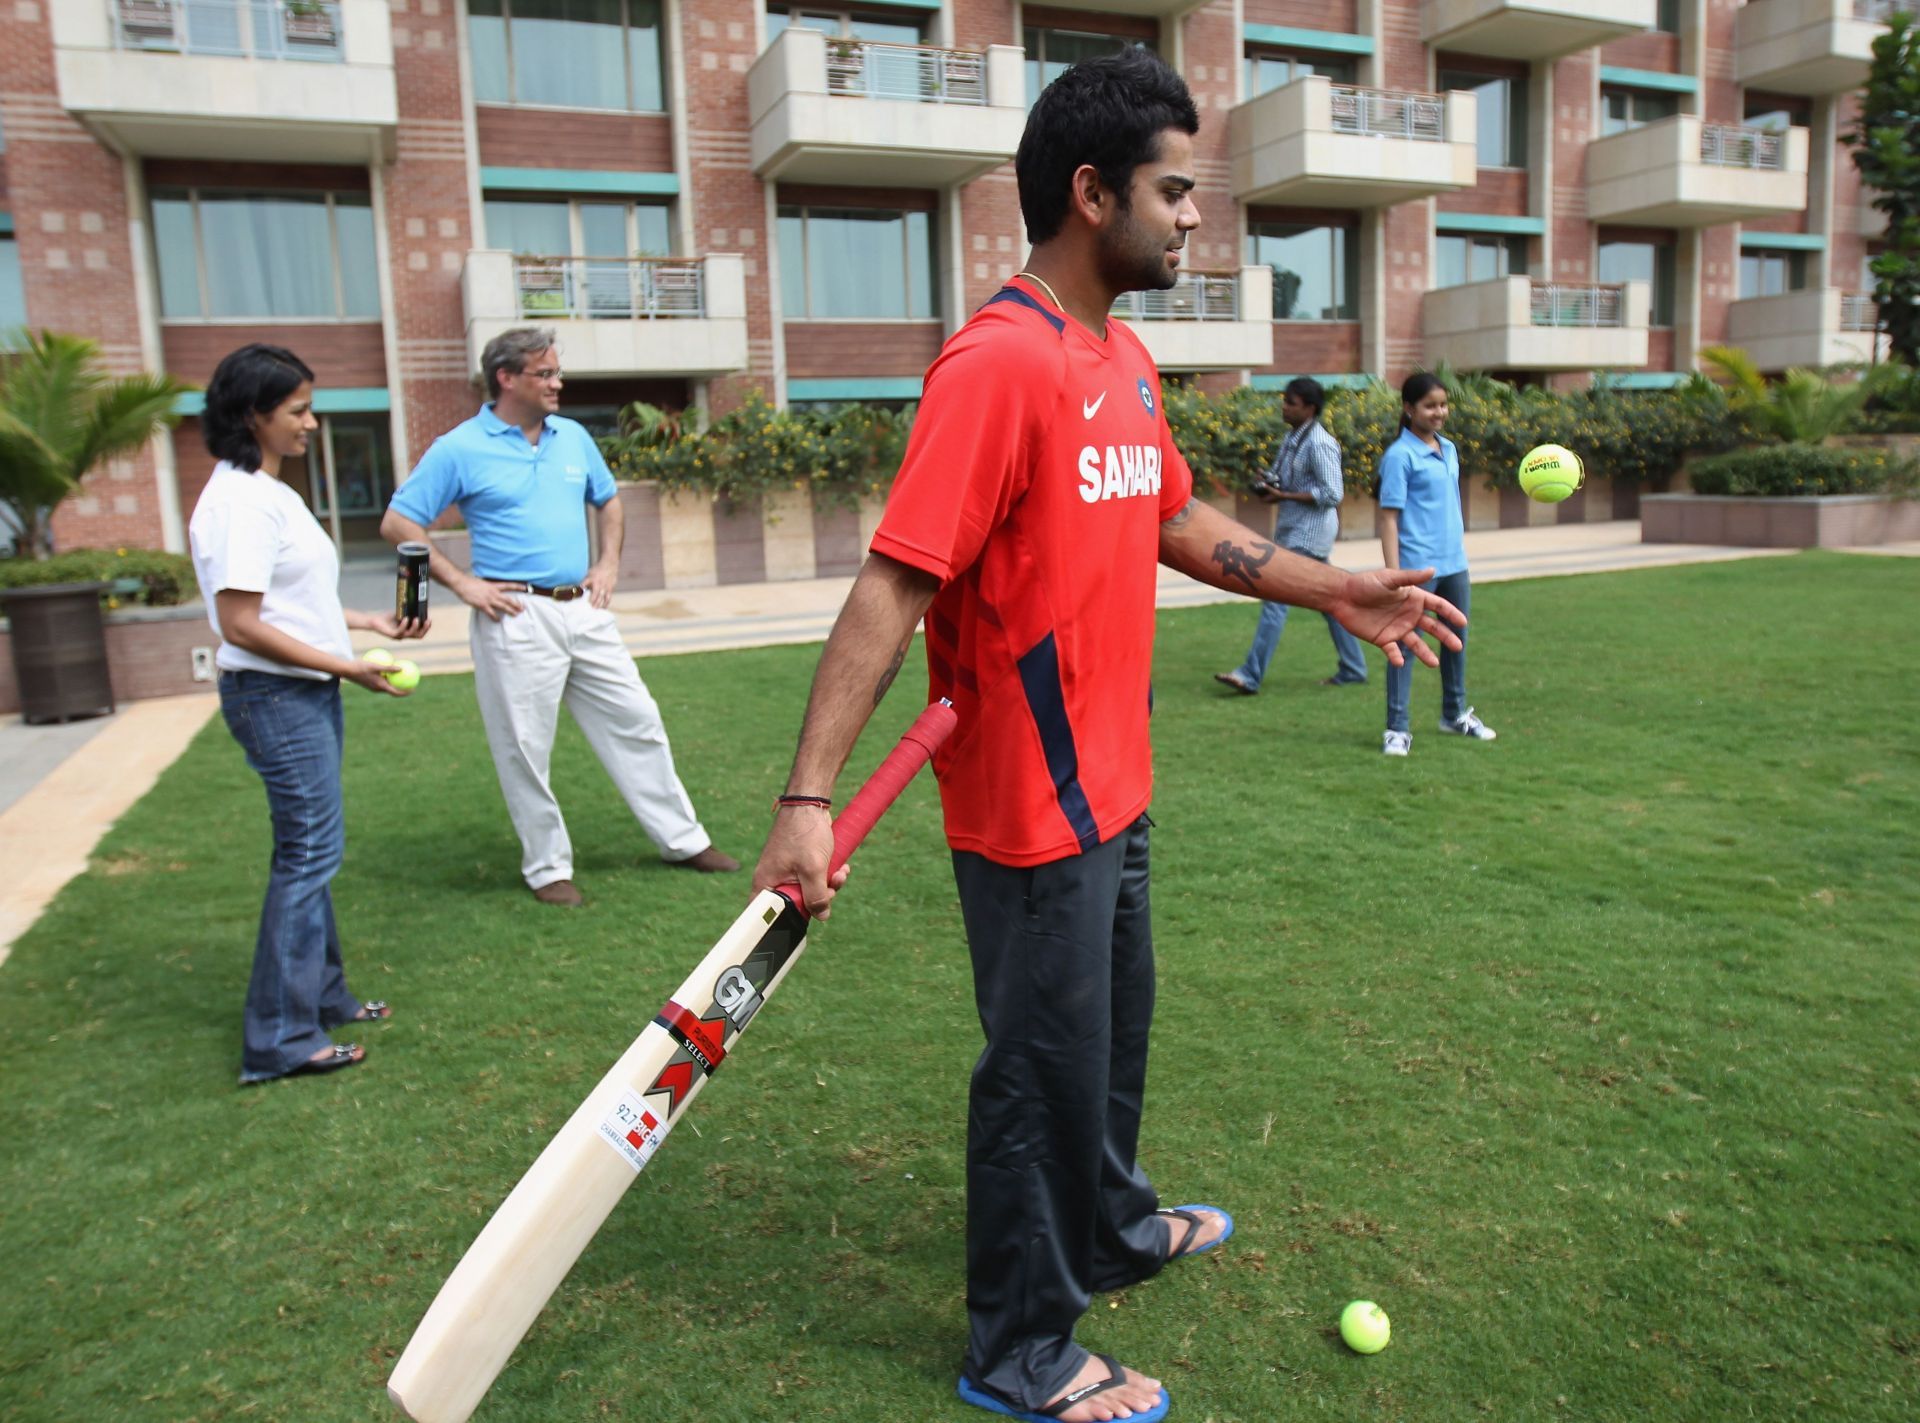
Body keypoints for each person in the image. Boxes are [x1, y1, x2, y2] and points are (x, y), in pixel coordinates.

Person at [751, 51, 1465, 1423]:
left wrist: (1339, 588)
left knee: (1114, 1034)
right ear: (1092, 194)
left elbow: (1175, 517)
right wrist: (805, 797)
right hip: (1026, 800)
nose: (1193, 217)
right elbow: (895, 581)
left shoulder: (1123, 361)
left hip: (1114, 784)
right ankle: (1021, 1345)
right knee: (1038, 1063)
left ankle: (1113, 1227)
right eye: (1173, 190)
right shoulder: (1000, 362)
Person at [380, 327, 737, 907]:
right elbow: (400, 522)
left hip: (585, 610)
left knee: (637, 720)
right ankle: (547, 867)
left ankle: (683, 840)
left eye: (555, 372)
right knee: (524, 746)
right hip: (515, 615)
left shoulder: (571, 437)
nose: (557, 383)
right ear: (507, 378)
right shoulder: (459, 447)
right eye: (544, 373)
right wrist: (463, 583)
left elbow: (610, 500)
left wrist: (609, 564)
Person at [187, 344, 430, 1084]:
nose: (312, 424)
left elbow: (294, 604)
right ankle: (280, 1038)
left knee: (312, 852)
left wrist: (367, 625)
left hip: (300, 690)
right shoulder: (237, 503)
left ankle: (322, 997)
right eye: (297, 410)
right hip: (275, 696)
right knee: (307, 857)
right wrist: (347, 667)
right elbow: (242, 624)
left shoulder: (268, 491)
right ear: (251, 415)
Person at [1213, 376, 1368, 694]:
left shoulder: (1319, 442)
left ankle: (1250, 675)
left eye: (1290, 403)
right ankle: (1354, 667)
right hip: (1293, 528)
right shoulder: (1293, 438)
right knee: (1330, 600)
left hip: (1309, 533)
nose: (1283, 407)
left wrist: (1283, 497)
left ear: (1310, 408)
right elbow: (1287, 482)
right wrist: (1269, 487)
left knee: (1276, 597)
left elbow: (1332, 493)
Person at [1377, 372, 1496, 757]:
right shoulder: (1400, 455)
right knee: (1405, 646)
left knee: (1455, 641)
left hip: (1454, 565)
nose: (1438, 412)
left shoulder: (1450, 449)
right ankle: (1397, 728)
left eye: (1443, 404)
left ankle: (1454, 714)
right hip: (1417, 569)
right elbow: (1389, 517)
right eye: (1430, 405)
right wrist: (1396, 576)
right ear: (1409, 409)